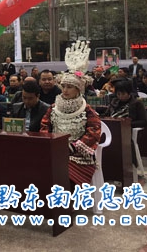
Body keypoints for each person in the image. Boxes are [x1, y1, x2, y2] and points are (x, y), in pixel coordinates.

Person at [40, 41, 101, 186]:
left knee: (64, 172)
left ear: (78, 90)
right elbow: (44, 126)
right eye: (63, 86)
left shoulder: (86, 109)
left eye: (70, 87)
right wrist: (51, 143)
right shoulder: (53, 107)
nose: (65, 90)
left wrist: (73, 147)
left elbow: (94, 132)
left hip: (78, 154)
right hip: (55, 149)